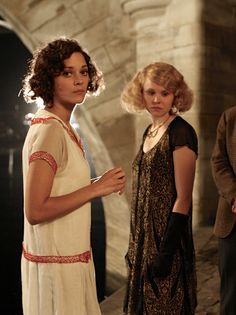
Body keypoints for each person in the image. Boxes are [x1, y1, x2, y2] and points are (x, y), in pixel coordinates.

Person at [21, 37, 125, 315]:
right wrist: (94, 190)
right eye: (67, 73)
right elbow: (35, 210)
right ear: (48, 79)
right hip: (58, 272)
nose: (79, 80)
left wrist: (96, 184)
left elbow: (57, 190)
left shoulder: (60, 126)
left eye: (83, 71)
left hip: (67, 261)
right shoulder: (51, 131)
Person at [121, 62, 198, 315]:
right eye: (151, 92)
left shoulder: (181, 132)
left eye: (165, 93)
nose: (157, 99)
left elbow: (184, 198)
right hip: (142, 242)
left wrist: (166, 253)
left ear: (176, 95)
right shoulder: (149, 130)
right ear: (140, 93)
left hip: (167, 242)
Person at [211, 106, 236, 315]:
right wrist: (233, 194)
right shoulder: (230, 117)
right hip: (233, 218)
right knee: (231, 293)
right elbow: (219, 162)